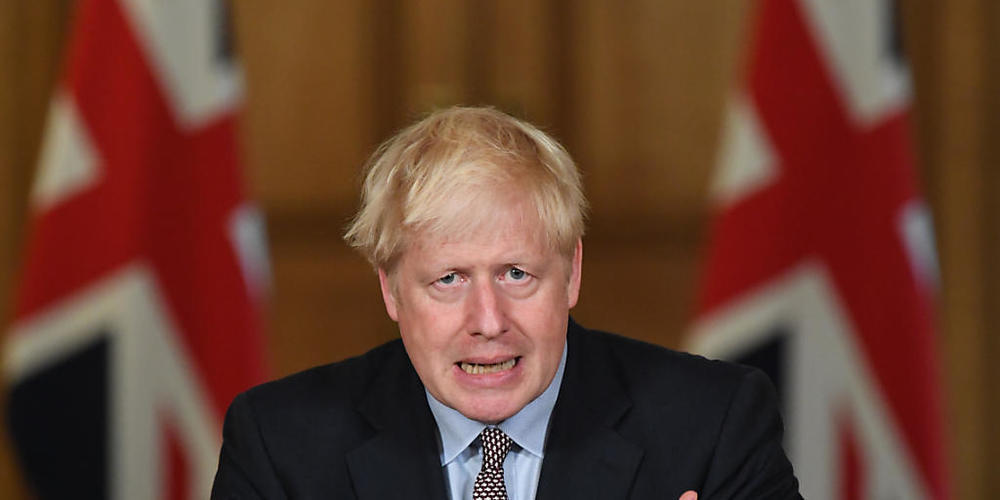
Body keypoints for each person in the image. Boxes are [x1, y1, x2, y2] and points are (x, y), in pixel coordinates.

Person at [211, 106, 802, 499]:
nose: (488, 322)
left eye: (517, 274)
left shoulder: (715, 427)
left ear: (571, 273)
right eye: (448, 280)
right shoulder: (279, 446)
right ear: (390, 290)